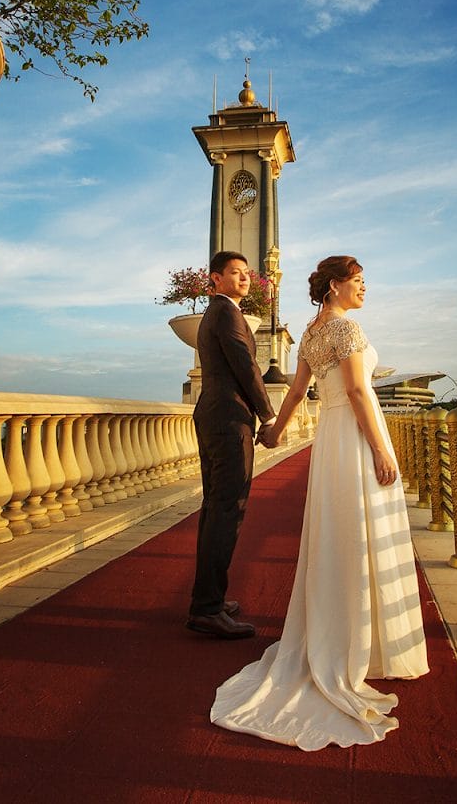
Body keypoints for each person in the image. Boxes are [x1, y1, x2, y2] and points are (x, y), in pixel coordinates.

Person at [210, 255, 428, 750]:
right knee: (363, 529)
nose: (365, 289)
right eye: (359, 281)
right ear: (336, 286)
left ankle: (344, 637)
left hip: (330, 441)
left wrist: (275, 432)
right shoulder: (347, 330)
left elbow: (295, 393)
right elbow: (355, 390)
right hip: (353, 436)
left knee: (340, 530)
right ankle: (364, 645)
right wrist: (378, 448)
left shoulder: (309, 334)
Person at [188, 251, 276, 640]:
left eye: (246, 274)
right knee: (227, 510)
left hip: (215, 415)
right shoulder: (225, 313)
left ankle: (210, 599)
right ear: (215, 279)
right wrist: (269, 415)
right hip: (228, 420)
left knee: (215, 510)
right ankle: (207, 608)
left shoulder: (221, 312)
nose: (244, 279)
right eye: (235, 273)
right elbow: (244, 364)